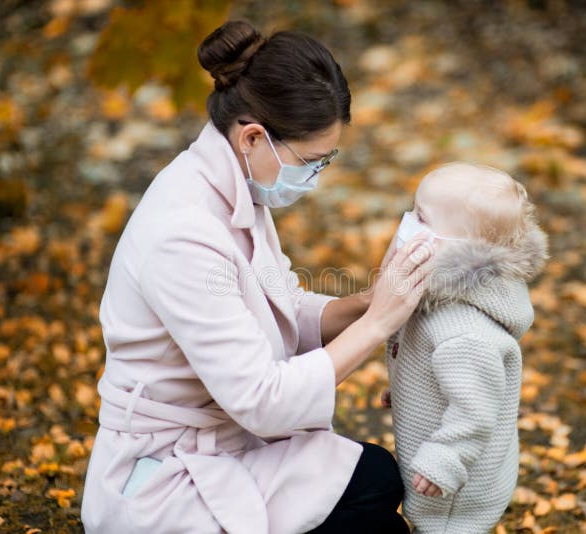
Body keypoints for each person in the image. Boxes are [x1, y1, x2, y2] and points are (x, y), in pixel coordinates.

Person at [80, 19, 434, 534]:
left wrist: (364, 303)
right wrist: (377, 325)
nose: (316, 178)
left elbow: (282, 305)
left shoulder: (235, 186)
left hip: (225, 439)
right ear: (253, 137)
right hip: (164, 473)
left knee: (377, 483)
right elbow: (263, 402)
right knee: (372, 499)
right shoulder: (182, 234)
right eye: (311, 161)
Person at [382, 163, 549, 533]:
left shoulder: (465, 333)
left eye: (421, 218)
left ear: (464, 247)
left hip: (456, 491)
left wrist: (445, 460)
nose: (407, 221)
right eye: (413, 209)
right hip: (440, 452)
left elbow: (475, 410)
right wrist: (408, 385)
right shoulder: (442, 295)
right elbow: (441, 371)